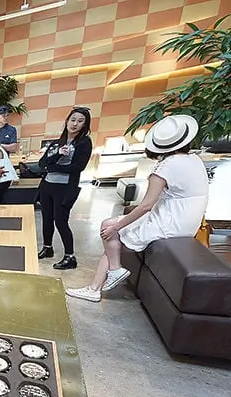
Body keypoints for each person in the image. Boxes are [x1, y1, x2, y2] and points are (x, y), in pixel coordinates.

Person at [66, 115, 209, 302]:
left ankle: (106, 278)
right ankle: (100, 282)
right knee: (108, 227)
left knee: (109, 230)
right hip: (187, 220)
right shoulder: (193, 159)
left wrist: (117, 227)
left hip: (170, 222)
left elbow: (147, 205)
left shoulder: (166, 167)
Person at [37, 107, 93, 270]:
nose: (75, 124)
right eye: (73, 119)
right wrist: (58, 156)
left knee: (61, 221)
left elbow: (78, 167)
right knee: (46, 218)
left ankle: (70, 257)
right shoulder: (56, 143)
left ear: (85, 124)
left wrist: (53, 167)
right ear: (67, 121)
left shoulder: (84, 142)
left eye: (80, 121)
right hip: (47, 186)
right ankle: (47, 248)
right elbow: (42, 164)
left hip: (65, 188)